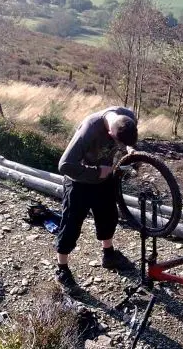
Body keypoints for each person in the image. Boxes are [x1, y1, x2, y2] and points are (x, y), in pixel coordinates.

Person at [55, 106, 138, 294]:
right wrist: (97, 171)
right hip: (79, 181)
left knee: (108, 216)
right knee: (71, 224)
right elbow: (65, 165)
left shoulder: (128, 119)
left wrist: (130, 148)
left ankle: (109, 255)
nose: (117, 145)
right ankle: (62, 269)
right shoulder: (89, 128)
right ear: (109, 131)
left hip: (104, 179)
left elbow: (129, 139)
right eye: (116, 142)